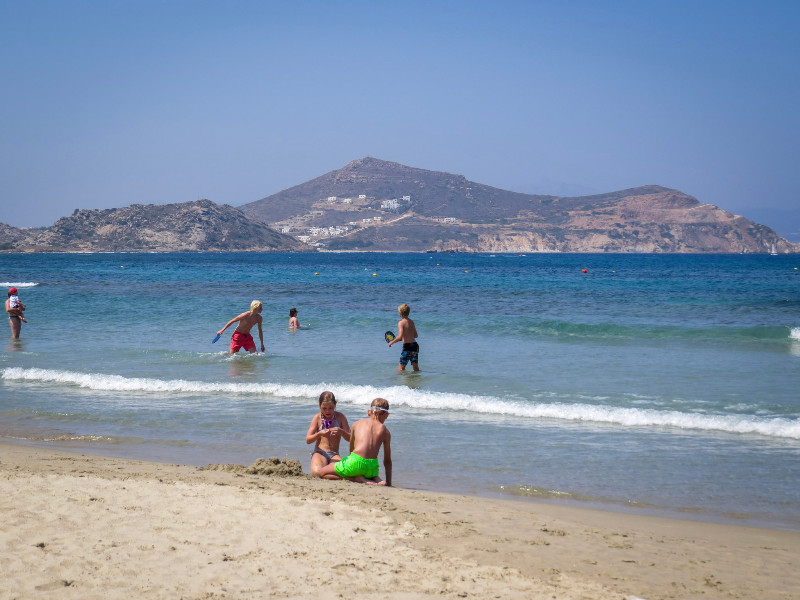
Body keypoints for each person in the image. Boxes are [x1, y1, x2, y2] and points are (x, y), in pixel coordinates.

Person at [318, 398, 392, 486]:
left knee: (321, 472)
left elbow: (351, 450)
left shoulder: (356, 424)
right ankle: (375, 478)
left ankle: (356, 478)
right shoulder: (386, 432)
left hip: (356, 463)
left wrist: (353, 470)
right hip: (373, 467)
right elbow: (387, 461)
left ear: (369, 412)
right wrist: (389, 484)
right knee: (366, 469)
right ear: (387, 415)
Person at [305, 391, 351, 479]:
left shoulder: (340, 417)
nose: (327, 411)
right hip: (320, 453)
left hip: (334, 454)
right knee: (316, 473)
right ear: (319, 406)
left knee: (345, 472)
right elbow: (308, 440)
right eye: (324, 408)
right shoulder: (317, 418)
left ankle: (329, 475)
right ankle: (336, 477)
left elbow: (350, 438)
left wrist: (341, 432)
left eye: (331, 408)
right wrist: (319, 434)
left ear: (335, 405)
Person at [387, 303, 419, 372]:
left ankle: (401, 382)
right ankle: (416, 382)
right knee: (416, 368)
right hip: (414, 346)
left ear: (400, 313)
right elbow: (416, 335)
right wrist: (408, 334)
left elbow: (400, 337)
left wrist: (391, 342)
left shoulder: (401, 323)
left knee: (401, 369)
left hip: (407, 347)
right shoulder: (411, 321)